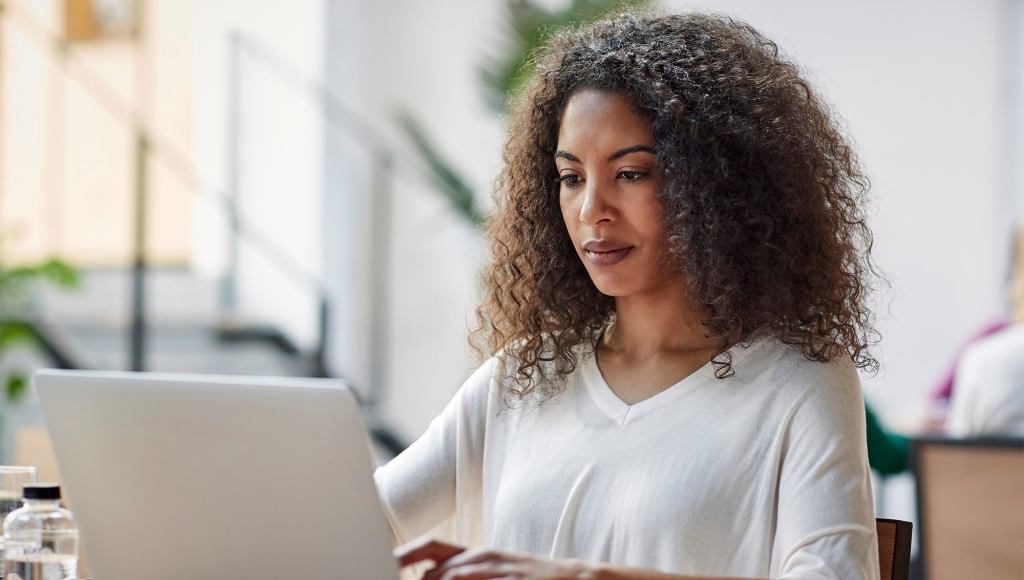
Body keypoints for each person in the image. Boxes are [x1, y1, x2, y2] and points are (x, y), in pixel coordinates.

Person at [374, 11, 882, 580]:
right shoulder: (523, 376)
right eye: (571, 178)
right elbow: (353, 525)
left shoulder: (799, 382)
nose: (592, 210)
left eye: (632, 173)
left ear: (715, 186)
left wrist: (585, 576)